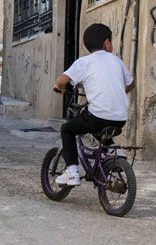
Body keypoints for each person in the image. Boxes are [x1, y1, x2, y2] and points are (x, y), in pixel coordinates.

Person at [52, 23, 135, 186]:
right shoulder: (117, 61)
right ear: (106, 43)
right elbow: (131, 83)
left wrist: (59, 88)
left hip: (98, 116)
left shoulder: (84, 62)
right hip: (120, 118)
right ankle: (113, 150)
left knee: (68, 129)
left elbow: (62, 80)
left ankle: (72, 172)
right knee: (97, 124)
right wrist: (117, 91)